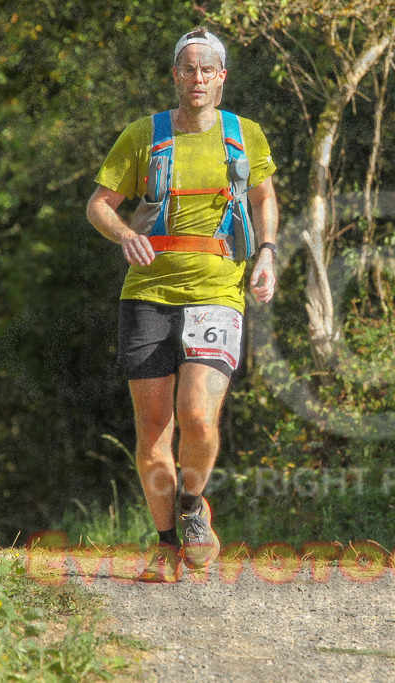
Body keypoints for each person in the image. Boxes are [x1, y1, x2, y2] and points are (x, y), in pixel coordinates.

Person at [86, 28, 278, 582]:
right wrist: (122, 234)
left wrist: (266, 251)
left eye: (207, 70)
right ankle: (168, 543)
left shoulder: (245, 136)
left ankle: (192, 504)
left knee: (197, 414)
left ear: (222, 78)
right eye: (187, 69)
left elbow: (264, 196)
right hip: (147, 293)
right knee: (153, 429)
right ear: (175, 75)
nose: (197, 79)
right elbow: (99, 204)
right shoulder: (144, 136)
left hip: (219, 290)